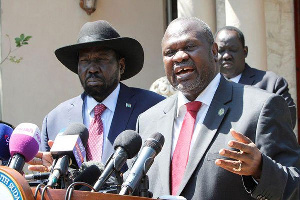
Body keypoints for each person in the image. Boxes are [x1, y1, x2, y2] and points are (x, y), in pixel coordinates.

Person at [134, 17, 300, 200]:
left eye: (189, 47)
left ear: (214, 51)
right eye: (170, 52)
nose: (179, 57)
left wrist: (261, 170)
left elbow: (295, 188)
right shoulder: (148, 120)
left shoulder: (261, 108)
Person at [28, 20, 164, 171]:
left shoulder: (152, 107)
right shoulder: (54, 119)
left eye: (101, 59)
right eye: (85, 61)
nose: (92, 69)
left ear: (121, 65)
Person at [215, 26, 296, 128]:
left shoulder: (271, 83)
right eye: (221, 50)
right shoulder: (209, 86)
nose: (227, 56)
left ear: (245, 52)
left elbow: (287, 122)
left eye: (233, 49)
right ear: (213, 53)